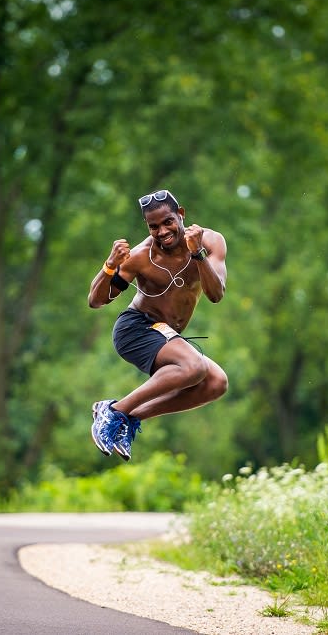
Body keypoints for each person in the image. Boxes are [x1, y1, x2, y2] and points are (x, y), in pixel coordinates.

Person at [87, 189, 228, 460]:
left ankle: (128, 416)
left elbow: (216, 294)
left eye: (168, 222)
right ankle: (113, 411)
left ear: (181, 214)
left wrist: (197, 253)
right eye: (154, 227)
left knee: (216, 383)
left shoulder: (210, 242)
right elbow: (96, 300)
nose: (162, 231)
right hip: (136, 328)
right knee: (193, 367)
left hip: (166, 333)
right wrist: (109, 266)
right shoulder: (141, 257)